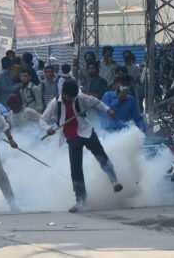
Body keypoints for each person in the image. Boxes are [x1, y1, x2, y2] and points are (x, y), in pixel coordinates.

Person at [40, 81, 123, 213]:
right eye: (70, 97)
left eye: (74, 97)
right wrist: (48, 128)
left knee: (101, 155)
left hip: (87, 131)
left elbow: (96, 102)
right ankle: (80, 201)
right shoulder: (55, 103)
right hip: (72, 138)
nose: (73, 99)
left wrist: (108, 110)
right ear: (64, 94)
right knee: (76, 169)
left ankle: (114, 181)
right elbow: (42, 119)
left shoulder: (81, 97)